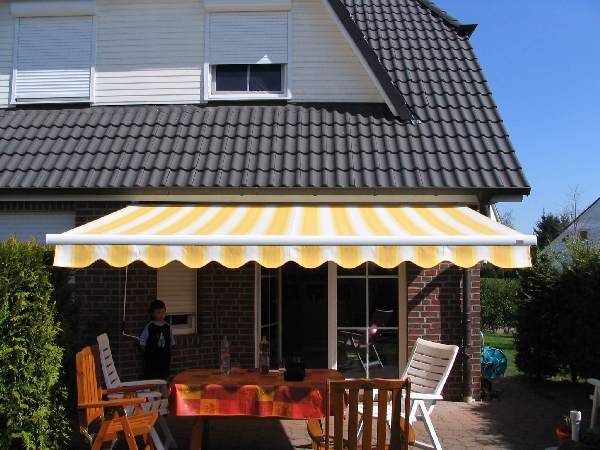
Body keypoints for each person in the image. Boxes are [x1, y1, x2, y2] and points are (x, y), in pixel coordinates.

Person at [140, 299, 175, 397]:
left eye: (163, 312)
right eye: (158, 312)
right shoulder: (150, 327)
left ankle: (165, 401)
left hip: (164, 359)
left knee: (163, 381)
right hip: (152, 361)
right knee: (154, 382)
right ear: (153, 314)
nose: (161, 315)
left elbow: (171, 342)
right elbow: (142, 342)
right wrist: (149, 354)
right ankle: (157, 400)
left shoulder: (168, 327)